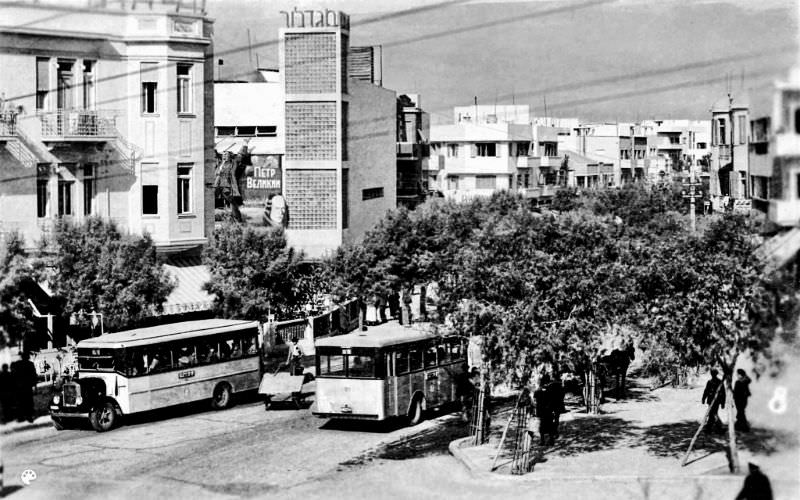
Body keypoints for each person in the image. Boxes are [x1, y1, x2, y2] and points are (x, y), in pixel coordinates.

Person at [11, 352, 38, 423]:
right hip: (27, 387)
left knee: (21, 402)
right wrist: (35, 387)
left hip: (20, 387)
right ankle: (28, 417)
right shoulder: (30, 364)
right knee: (28, 402)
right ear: (27, 357)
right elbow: (34, 376)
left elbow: (13, 376)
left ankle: (21, 417)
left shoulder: (17, 364)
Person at [533, 374, 555, 446]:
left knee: (541, 426)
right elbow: (552, 400)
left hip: (541, 411)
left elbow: (535, 400)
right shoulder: (551, 390)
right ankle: (551, 440)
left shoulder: (538, 391)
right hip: (548, 411)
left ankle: (542, 441)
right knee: (550, 425)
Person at [702, 368, 725, 433]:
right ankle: (710, 428)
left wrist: (723, 403)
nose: (713, 375)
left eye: (713, 373)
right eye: (712, 374)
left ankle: (719, 427)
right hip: (711, 400)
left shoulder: (719, 382)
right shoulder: (710, 382)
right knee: (712, 414)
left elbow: (723, 393)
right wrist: (703, 398)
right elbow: (706, 391)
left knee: (713, 414)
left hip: (716, 401)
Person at [547, 374, 566, 441]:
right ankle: (555, 430)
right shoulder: (561, 386)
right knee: (557, 417)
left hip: (551, 404)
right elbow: (563, 395)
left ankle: (552, 431)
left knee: (550, 418)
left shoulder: (550, 386)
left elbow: (547, 395)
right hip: (558, 404)